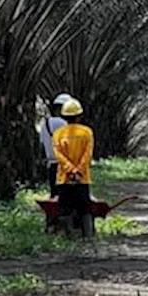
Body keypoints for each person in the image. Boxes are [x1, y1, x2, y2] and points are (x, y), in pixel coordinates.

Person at [52, 98, 94, 229]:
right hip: (82, 178)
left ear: (64, 116)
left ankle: (68, 235)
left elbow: (58, 156)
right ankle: (87, 234)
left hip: (64, 178)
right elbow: (87, 154)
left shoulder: (58, 134)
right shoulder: (87, 132)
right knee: (85, 208)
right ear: (79, 116)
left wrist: (70, 170)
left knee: (65, 208)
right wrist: (78, 171)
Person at [40, 94, 73, 198]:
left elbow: (42, 143)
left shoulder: (44, 124)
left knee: (54, 195)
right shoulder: (63, 124)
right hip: (63, 165)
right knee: (66, 197)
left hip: (51, 165)